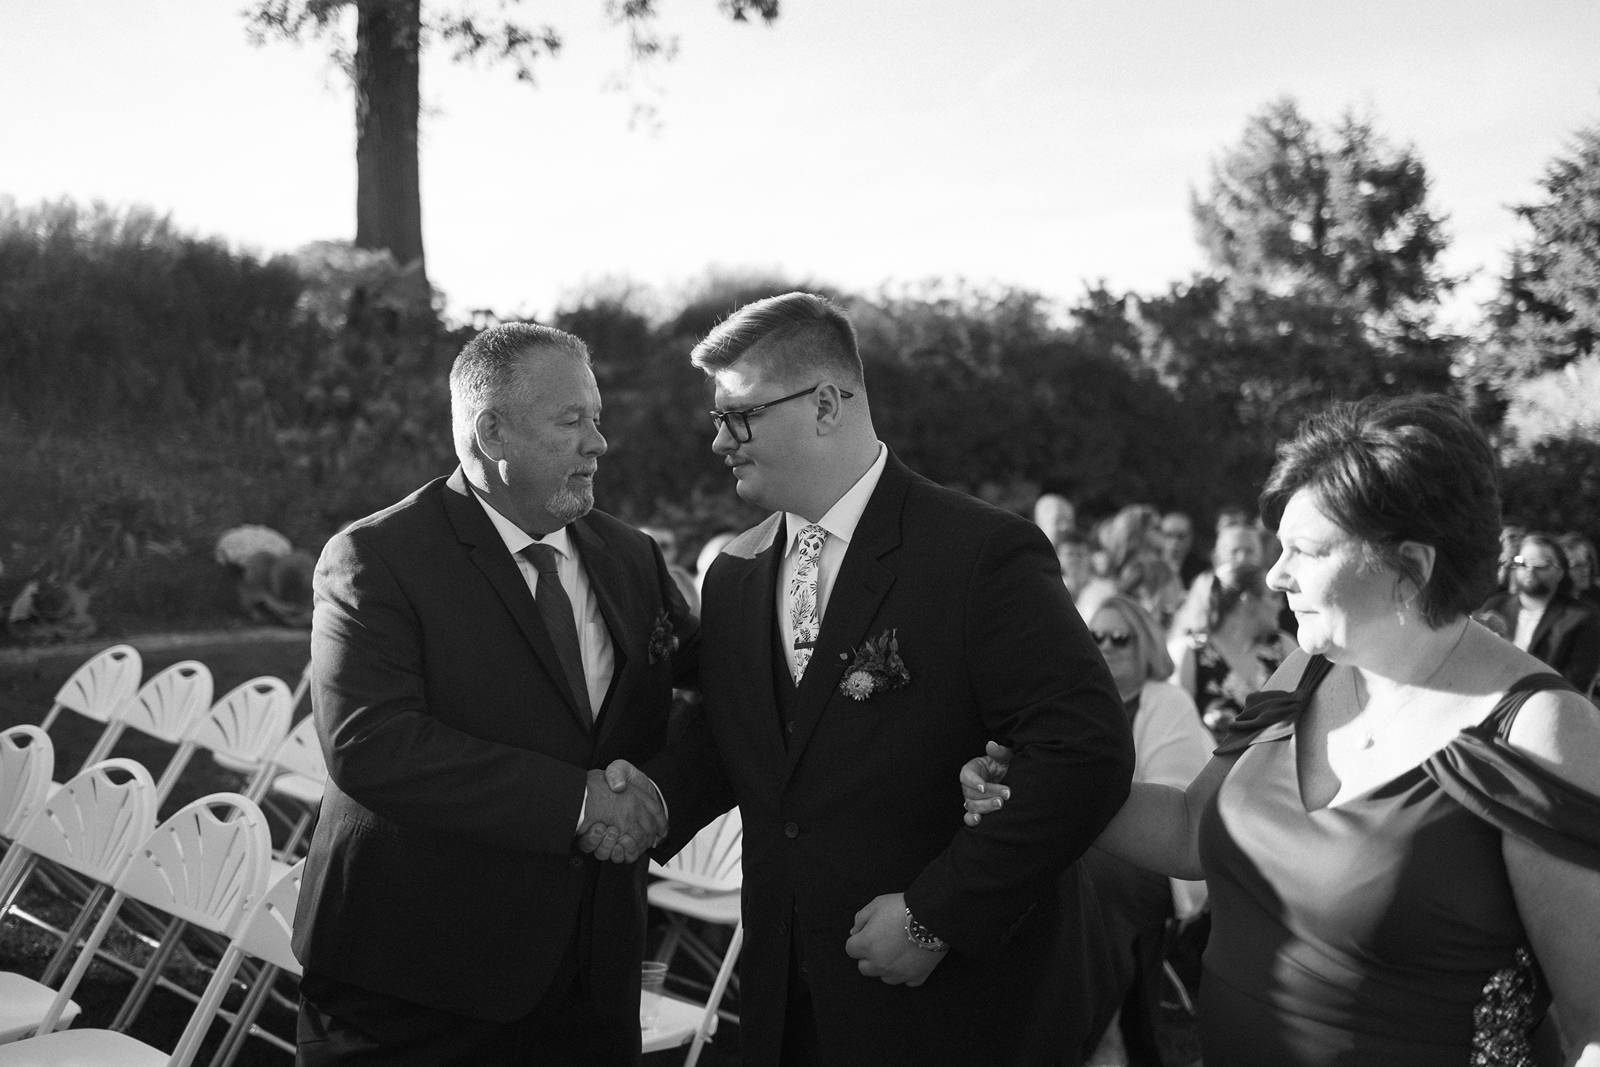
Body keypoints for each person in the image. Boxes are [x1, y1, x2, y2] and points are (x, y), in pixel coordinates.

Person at [964, 394, 1600, 1067]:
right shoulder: (1304, 670)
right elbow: (1188, 828)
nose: (1275, 574)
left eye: (1307, 550)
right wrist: (1035, 781)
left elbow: (1593, 1024)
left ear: (1412, 566)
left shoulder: (1541, 730)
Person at [593, 292, 1135, 1066]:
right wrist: (639, 801)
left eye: (739, 415)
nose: (719, 440)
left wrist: (935, 916)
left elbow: (1085, 750)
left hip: (957, 1010)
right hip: (789, 1001)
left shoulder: (979, 554)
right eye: (718, 418)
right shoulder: (738, 572)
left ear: (824, 405)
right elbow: (740, 735)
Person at [291, 323, 699, 1066]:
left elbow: (713, 690)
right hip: (417, 983)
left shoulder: (630, 556)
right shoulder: (378, 558)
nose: (598, 442)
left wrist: (655, 800)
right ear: (491, 431)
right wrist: (580, 802)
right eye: (572, 420)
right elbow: (371, 744)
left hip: (591, 978)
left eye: (597, 418)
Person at [1078, 594, 1212, 1067]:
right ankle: (1102, 1032)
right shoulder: (1080, 699)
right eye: (1095, 636)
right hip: (1094, 849)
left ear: (1147, 645)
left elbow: (1174, 797)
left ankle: (1088, 1036)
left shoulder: (1168, 702)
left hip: (1169, 857)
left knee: (1097, 882)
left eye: (1121, 637)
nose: (1107, 646)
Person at [1169, 563, 1292, 738]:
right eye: (1274, 597)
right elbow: (1177, 727)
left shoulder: (1283, 646)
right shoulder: (1191, 654)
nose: (1281, 606)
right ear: (1247, 600)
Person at [1480, 532, 1600, 693]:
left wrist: (1508, 646)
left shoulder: (1581, 617)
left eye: (1540, 564)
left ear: (1560, 571)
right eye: (1522, 562)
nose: (1530, 570)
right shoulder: (1495, 605)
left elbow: (1575, 681)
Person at [1158, 510, 1206, 588]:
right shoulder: (1147, 568)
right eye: (1168, 535)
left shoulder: (1202, 571)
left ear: (1191, 538)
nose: (1174, 542)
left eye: (1181, 537)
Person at [1559, 531, 1600, 615]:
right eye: (1577, 566)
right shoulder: (1553, 608)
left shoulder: (1596, 598)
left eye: (1587, 563)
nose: (1586, 570)